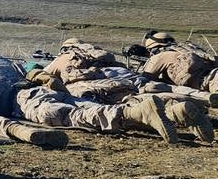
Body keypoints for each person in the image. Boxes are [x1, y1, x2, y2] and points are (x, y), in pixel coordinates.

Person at [0, 32, 178, 143]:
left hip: (22, 101)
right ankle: (174, 112)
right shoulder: (3, 61)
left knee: (75, 116)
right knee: (86, 106)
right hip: (39, 90)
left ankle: (134, 113)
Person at [35, 38, 213, 142]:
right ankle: (196, 99)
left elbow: (44, 78)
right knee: (147, 91)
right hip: (122, 74)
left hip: (91, 81)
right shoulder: (96, 53)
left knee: (126, 102)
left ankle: (173, 112)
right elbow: (146, 77)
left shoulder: (62, 59)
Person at [138, 32, 218, 95]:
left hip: (210, 83)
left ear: (153, 48)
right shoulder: (189, 49)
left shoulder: (160, 56)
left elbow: (144, 80)